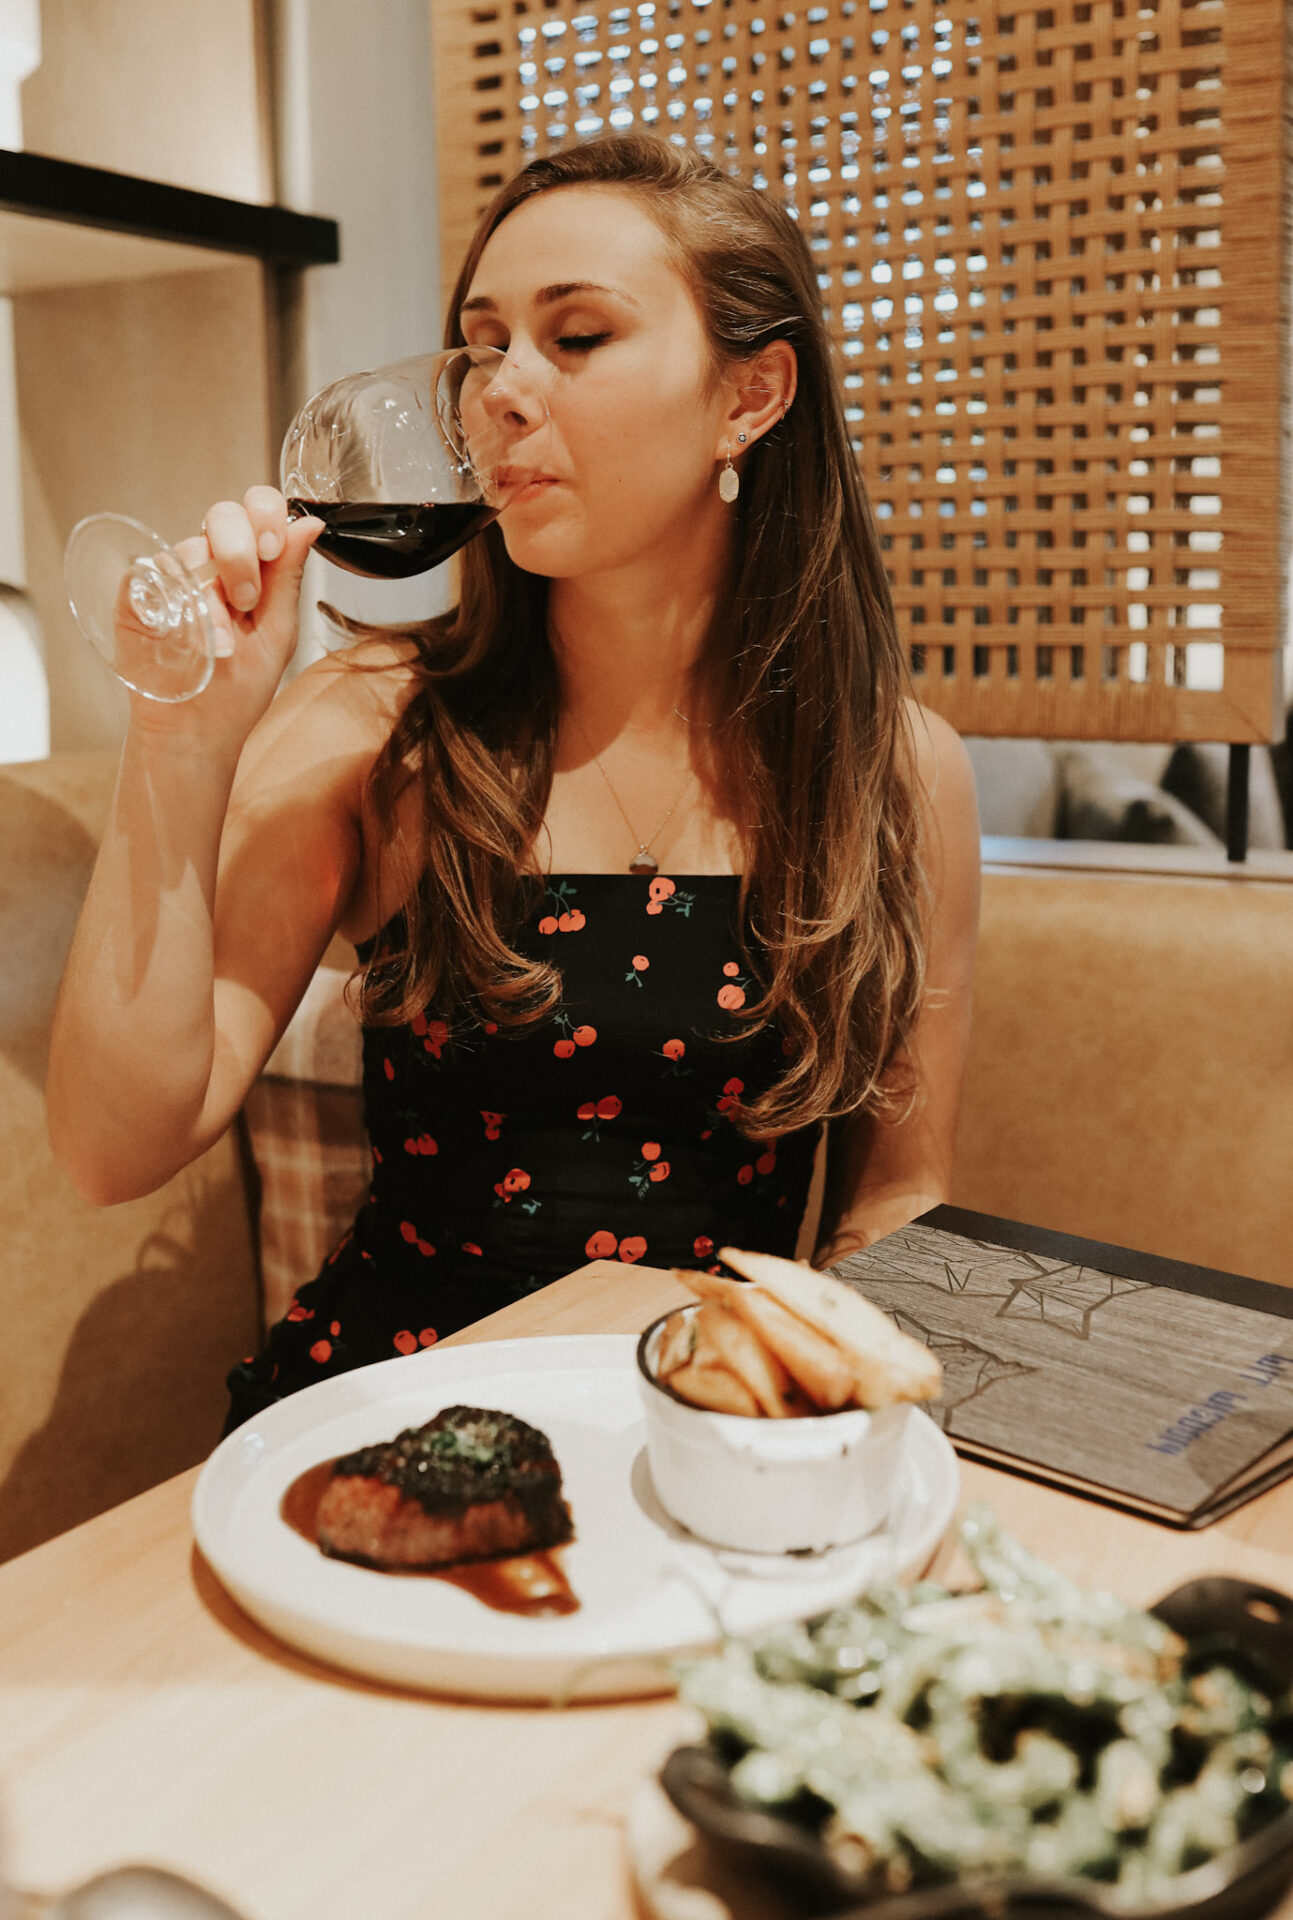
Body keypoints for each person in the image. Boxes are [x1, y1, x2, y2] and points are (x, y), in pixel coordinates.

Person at [47, 134, 980, 1427]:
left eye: (578, 337)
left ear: (749, 396)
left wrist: (847, 1447)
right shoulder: (379, 727)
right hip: (384, 1426)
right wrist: (182, 738)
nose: (502, 391)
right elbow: (115, 1148)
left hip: (702, 1442)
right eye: (485, 344)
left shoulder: (889, 773)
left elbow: (892, 1199)